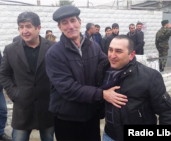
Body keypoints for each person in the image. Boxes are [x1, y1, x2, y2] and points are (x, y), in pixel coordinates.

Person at [46, 5, 127, 141]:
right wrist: (102, 94)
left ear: (80, 22)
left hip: (91, 114)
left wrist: (130, 65)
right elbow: (68, 89)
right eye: (64, 23)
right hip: (68, 117)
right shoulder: (54, 54)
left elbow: (108, 64)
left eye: (73, 21)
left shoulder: (93, 46)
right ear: (59, 28)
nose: (70, 26)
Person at [96, 35, 171, 141]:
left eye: (118, 51)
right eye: (110, 50)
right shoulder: (103, 70)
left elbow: (166, 111)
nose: (112, 55)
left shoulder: (149, 76)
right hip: (109, 135)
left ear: (131, 55)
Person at [0, 12, 55, 141]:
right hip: (22, 108)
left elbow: (60, 73)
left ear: (38, 28)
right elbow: (3, 74)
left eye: (28, 26)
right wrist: (14, 93)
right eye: (21, 27)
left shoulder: (52, 47)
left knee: (48, 138)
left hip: (47, 107)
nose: (24, 31)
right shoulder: (10, 49)